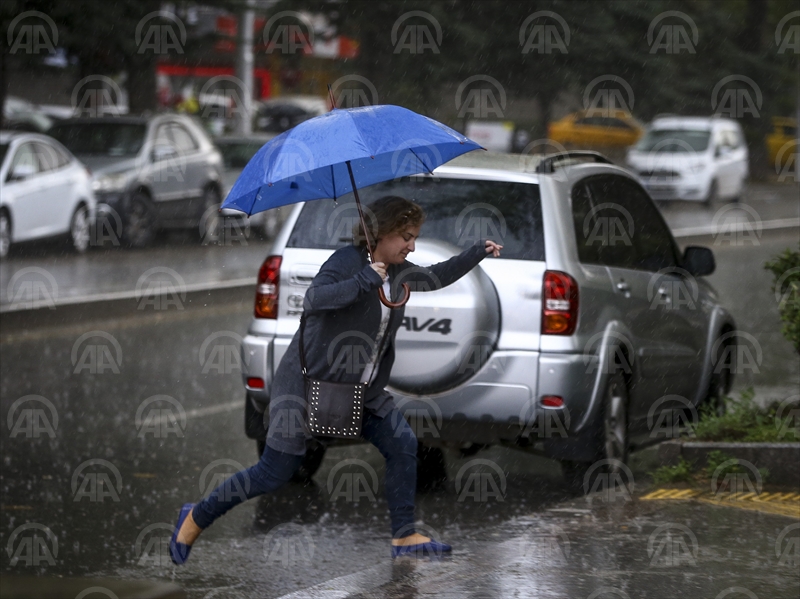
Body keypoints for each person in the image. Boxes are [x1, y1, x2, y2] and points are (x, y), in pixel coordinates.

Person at [169, 195, 503, 563]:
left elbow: (436, 275)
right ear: (381, 233)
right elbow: (314, 299)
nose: (412, 245)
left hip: (363, 391)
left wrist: (476, 253)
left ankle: (404, 535)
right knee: (273, 472)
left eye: (414, 237)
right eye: (405, 236)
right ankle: (196, 518)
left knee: (402, 444)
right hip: (305, 386)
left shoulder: (399, 272)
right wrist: (362, 280)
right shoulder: (346, 263)